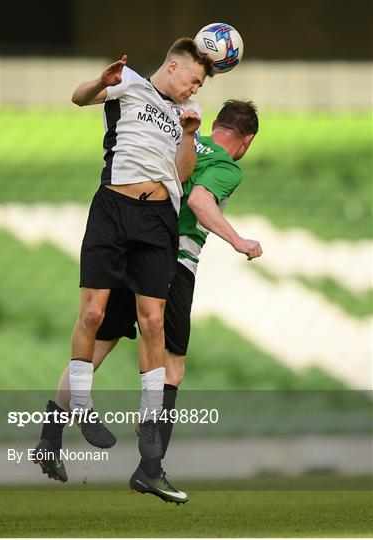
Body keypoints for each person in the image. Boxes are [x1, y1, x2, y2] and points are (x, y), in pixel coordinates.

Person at [39, 100, 262, 503]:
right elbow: (199, 202)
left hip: (129, 247)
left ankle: (49, 440)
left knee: (93, 352)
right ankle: (150, 469)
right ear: (245, 142)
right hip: (171, 263)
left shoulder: (184, 142)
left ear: (215, 125)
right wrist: (239, 240)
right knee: (172, 367)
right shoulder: (228, 167)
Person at [34, 38, 213, 481]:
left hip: (156, 221)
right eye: (193, 80)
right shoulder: (128, 83)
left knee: (152, 322)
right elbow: (78, 98)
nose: (194, 90)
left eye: (199, 85)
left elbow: (183, 173)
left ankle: (149, 428)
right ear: (173, 66)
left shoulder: (183, 114)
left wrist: (189, 134)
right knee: (92, 314)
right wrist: (102, 79)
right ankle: (79, 408)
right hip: (114, 209)